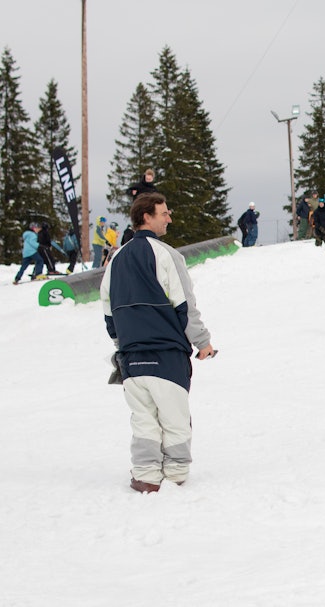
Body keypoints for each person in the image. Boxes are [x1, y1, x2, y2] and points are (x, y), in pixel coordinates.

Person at [101, 192, 216, 493]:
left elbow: (108, 311)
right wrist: (202, 342)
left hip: (132, 359)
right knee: (175, 419)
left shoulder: (116, 260)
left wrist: (121, 344)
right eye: (164, 213)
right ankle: (176, 473)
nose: (169, 218)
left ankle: (146, 476)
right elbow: (184, 305)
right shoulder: (166, 255)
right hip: (165, 354)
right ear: (146, 217)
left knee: (144, 420)